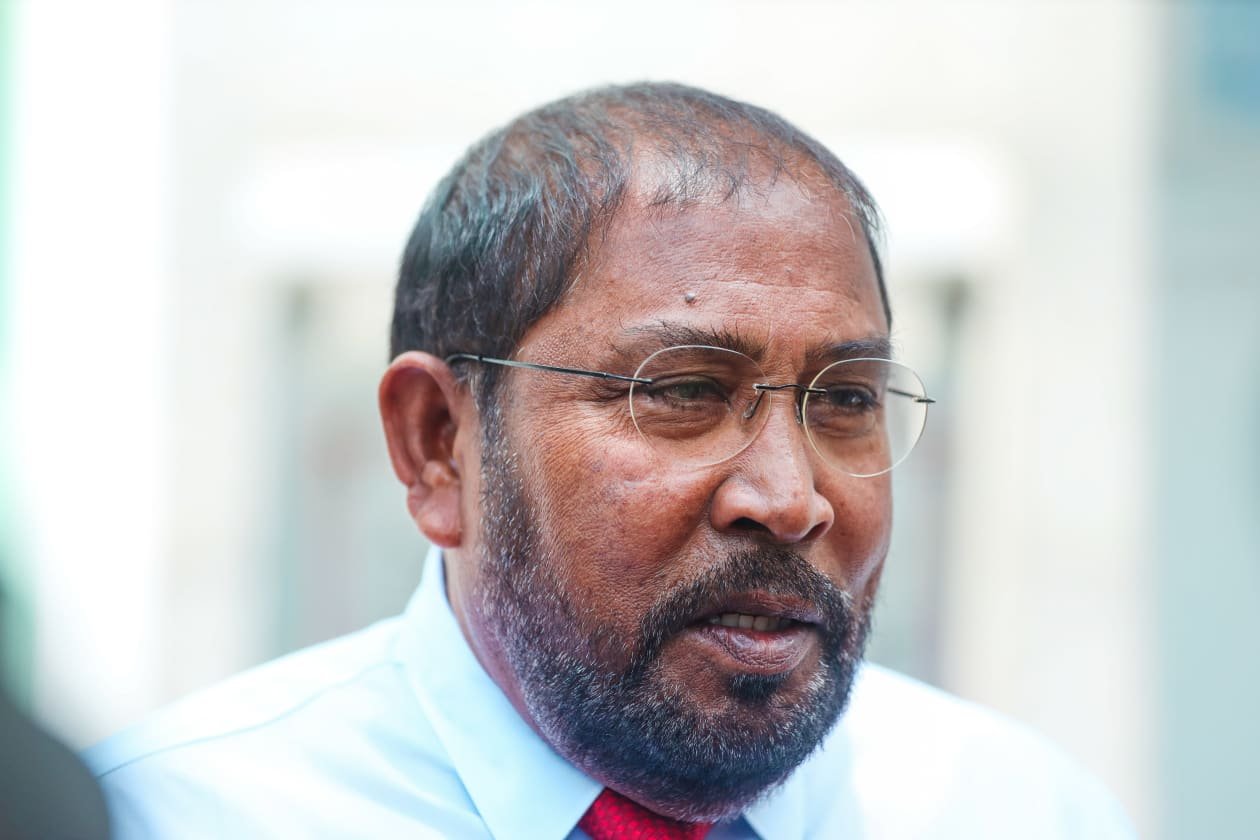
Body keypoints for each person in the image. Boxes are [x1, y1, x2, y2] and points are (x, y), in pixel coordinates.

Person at [84, 83, 1134, 839]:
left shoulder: (1018, 811)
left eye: (847, 400)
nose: (788, 497)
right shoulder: (171, 816)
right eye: (682, 393)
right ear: (438, 444)